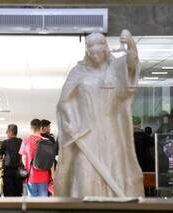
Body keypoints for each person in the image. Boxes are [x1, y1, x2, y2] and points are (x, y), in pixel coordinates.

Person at [55, 30, 144, 197]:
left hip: (111, 131)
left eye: (99, 52)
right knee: (84, 172)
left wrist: (131, 44)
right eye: (92, 53)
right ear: (87, 52)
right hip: (85, 132)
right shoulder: (78, 71)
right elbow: (64, 101)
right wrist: (71, 121)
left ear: (105, 50)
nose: (96, 56)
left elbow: (131, 63)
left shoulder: (116, 67)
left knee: (115, 169)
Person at [19, 119, 50, 197]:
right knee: (44, 201)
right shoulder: (47, 142)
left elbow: (24, 158)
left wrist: (26, 168)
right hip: (44, 175)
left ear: (31, 128)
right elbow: (50, 161)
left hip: (31, 175)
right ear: (40, 128)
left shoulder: (25, 141)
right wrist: (53, 174)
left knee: (32, 202)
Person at [0, 124, 23, 196]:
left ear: (10, 132)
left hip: (8, 170)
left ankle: (8, 206)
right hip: (19, 170)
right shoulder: (21, 142)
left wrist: (2, 158)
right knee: (18, 190)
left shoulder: (5, 142)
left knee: (8, 190)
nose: (6, 132)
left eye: (7, 131)